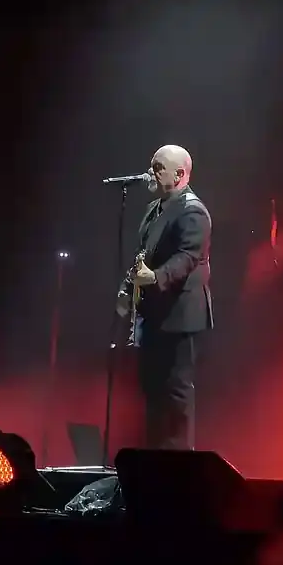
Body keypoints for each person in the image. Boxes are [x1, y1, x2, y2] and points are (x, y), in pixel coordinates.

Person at [116, 144, 213, 450]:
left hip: (179, 316)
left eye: (158, 168)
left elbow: (187, 258)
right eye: (152, 165)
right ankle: (154, 456)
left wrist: (156, 278)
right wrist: (128, 288)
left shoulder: (193, 211)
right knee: (153, 390)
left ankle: (178, 460)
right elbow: (143, 254)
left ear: (180, 174)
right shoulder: (154, 208)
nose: (151, 173)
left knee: (175, 392)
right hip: (155, 313)